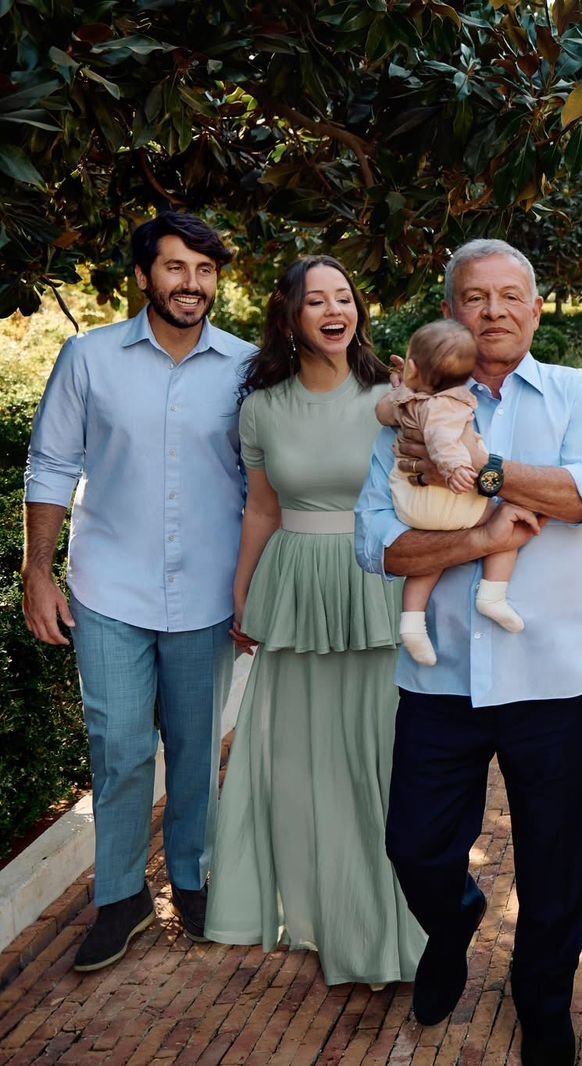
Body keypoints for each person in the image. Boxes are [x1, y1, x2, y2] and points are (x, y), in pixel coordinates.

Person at [356, 238, 582, 1066]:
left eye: (512, 296)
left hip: (555, 673)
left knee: (556, 863)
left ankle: (542, 997)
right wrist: (480, 539)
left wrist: (480, 468)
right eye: (476, 298)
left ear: (537, 309)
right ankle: (453, 920)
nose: (495, 312)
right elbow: (379, 546)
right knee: (416, 848)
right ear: (451, 311)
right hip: (438, 672)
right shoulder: (411, 407)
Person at [23, 212, 252, 972]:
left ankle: (192, 880)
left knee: (194, 751)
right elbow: (51, 465)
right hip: (108, 589)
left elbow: (266, 487)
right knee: (120, 749)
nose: (192, 284)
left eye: (205, 270)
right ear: (145, 276)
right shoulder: (88, 359)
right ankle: (119, 898)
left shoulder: (247, 367)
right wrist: (37, 571)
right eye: (176, 268)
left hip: (208, 594)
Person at [203, 255, 425, 988]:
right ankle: (334, 926)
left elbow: (424, 500)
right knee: (304, 773)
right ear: (290, 316)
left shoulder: (390, 398)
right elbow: (261, 510)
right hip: (296, 594)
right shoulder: (261, 407)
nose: (336, 310)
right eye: (316, 300)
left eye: (345, 296)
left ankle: (400, 936)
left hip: (376, 589)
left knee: (382, 770)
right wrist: (243, 596)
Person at [375, 318, 531, 666]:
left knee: (431, 557)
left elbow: (382, 412)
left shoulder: (406, 400)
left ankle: (412, 623)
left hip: (411, 500)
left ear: (412, 366)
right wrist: (457, 469)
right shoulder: (449, 403)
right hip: (450, 499)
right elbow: (442, 439)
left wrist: (402, 389)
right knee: (510, 520)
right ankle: (493, 594)